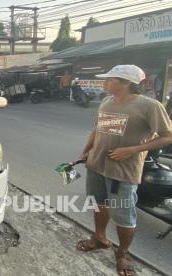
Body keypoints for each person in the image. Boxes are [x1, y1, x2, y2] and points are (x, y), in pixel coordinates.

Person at [77, 65, 172, 276]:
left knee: (123, 214)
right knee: (98, 203)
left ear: (126, 83)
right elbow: (97, 130)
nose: (105, 82)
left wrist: (132, 149)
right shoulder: (106, 101)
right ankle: (100, 238)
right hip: (96, 165)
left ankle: (122, 253)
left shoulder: (149, 106)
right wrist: (86, 151)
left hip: (123, 170)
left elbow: (168, 135)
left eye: (111, 79)